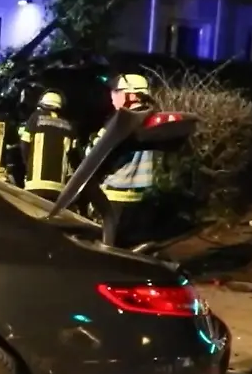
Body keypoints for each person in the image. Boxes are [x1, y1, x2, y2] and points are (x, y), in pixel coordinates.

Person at [93, 74, 158, 246]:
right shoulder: (149, 118)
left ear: (131, 95)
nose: (112, 95)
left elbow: (96, 155)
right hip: (138, 198)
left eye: (117, 91)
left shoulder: (121, 121)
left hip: (113, 198)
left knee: (106, 252)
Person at [19, 90, 78, 201]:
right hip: (58, 187)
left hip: (35, 184)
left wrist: (29, 165)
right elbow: (73, 156)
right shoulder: (70, 126)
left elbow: (24, 145)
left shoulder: (34, 119)